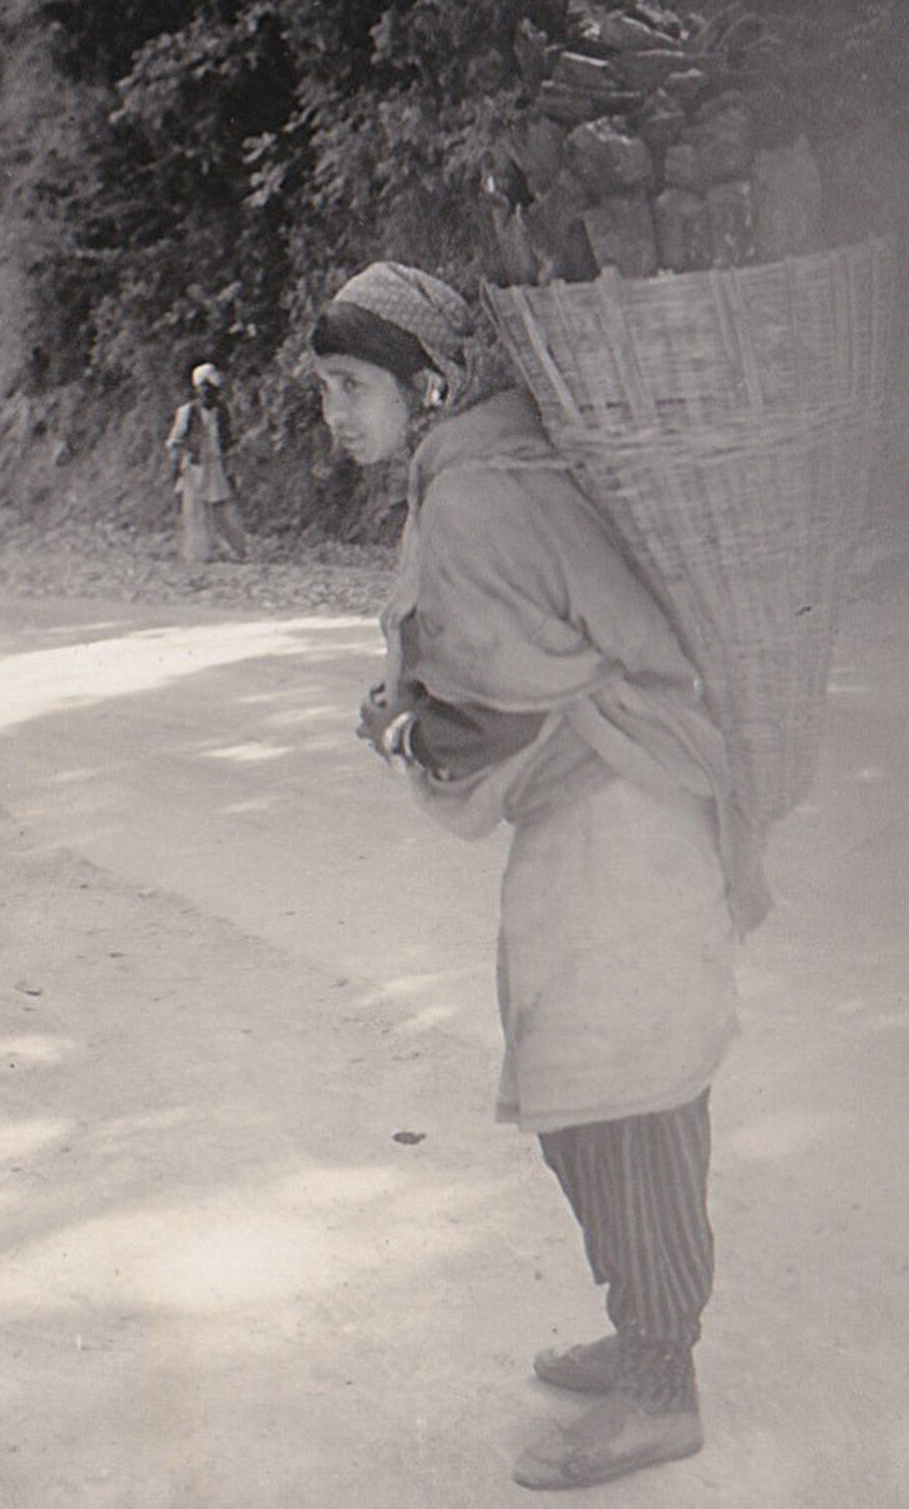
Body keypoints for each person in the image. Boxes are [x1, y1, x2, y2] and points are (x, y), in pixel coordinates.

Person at [311, 262, 757, 1491]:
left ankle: (662, 1386)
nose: (335, 413)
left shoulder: (472, 492)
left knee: (622, 1093)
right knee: (592, 1088)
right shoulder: (490, 463)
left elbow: (496, 710)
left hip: (623, 813)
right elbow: (511, 664)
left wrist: (403, 729)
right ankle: (645, 1329)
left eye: (352, 386)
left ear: (428, 385)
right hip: (619, 802)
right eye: (327, 388)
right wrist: (418, 714)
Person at [165, 363, 247, 565]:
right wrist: (175, 469)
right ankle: (200, 554)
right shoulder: (187, 412)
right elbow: (175, 441)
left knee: (224, 508)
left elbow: (228, 440)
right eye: (207, 388)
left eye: (214, 389)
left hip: (217, 466)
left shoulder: (222, 412)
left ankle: (237, 551)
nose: (211, 393)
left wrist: (233, 464)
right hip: (195, 467)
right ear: (199, 388)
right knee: (195, 511)